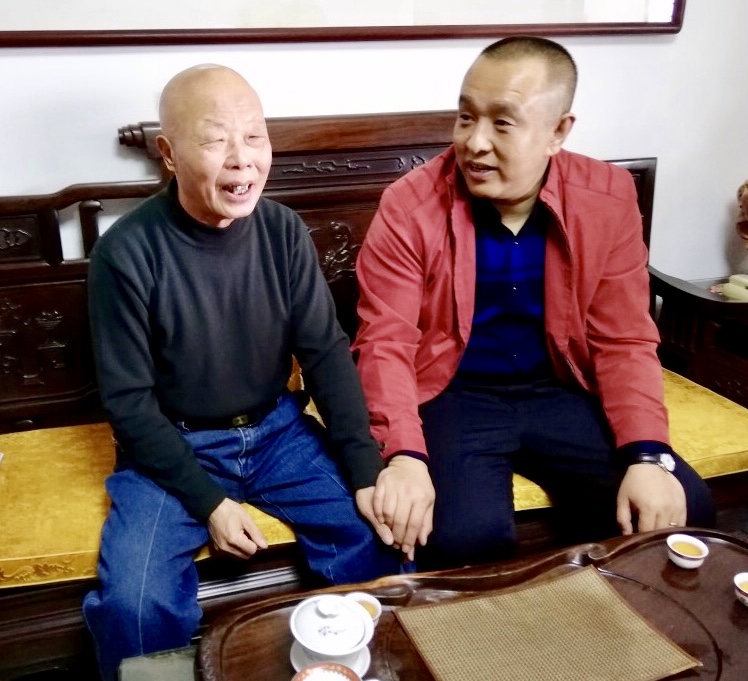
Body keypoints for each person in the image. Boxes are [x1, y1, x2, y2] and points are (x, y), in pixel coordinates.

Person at [83, 64, 413, 681]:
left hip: (277, 432)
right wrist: (210, 503)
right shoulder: (125, 252)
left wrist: (366, 471)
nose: (242, 159)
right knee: (134, 603)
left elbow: (326, 355)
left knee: (378, 539)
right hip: (172, 444)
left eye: (255, 136)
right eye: (215, 140)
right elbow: (128, 405)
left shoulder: (283, 232)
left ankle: (360, 670)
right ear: (169, 154)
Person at [352, 37, 715, 571]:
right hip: (454, 392)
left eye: (502, 123)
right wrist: (404, 454)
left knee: (678, 505)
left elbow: (624, 339)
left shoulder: (607, 197)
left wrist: (645, 453)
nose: (474, 142)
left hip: (561, 388)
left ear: (558, 132)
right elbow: (386, 342)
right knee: (461, 539)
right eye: (466, 117)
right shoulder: (410, 205)